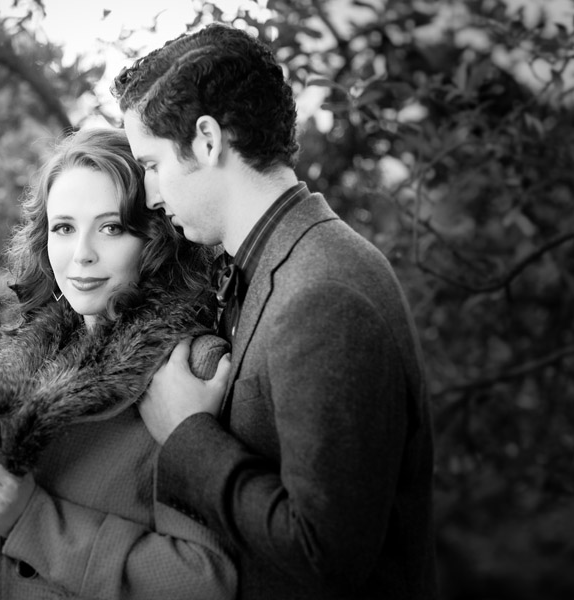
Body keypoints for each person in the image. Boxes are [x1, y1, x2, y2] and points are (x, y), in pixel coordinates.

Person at [113, 23, 438, 600]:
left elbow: (326, 554)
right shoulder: (274, 264)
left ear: (208, 140)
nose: (151, 195)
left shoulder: (323, 292)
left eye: (153, 164)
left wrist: (188, 436)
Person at [0, 127, 236, 600]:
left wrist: (34, 523)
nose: (81, 256)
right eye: (64, 228)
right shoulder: (27, 368)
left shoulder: (191, 368)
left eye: (111, 227)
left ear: (155, 238)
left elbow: (204, 581)